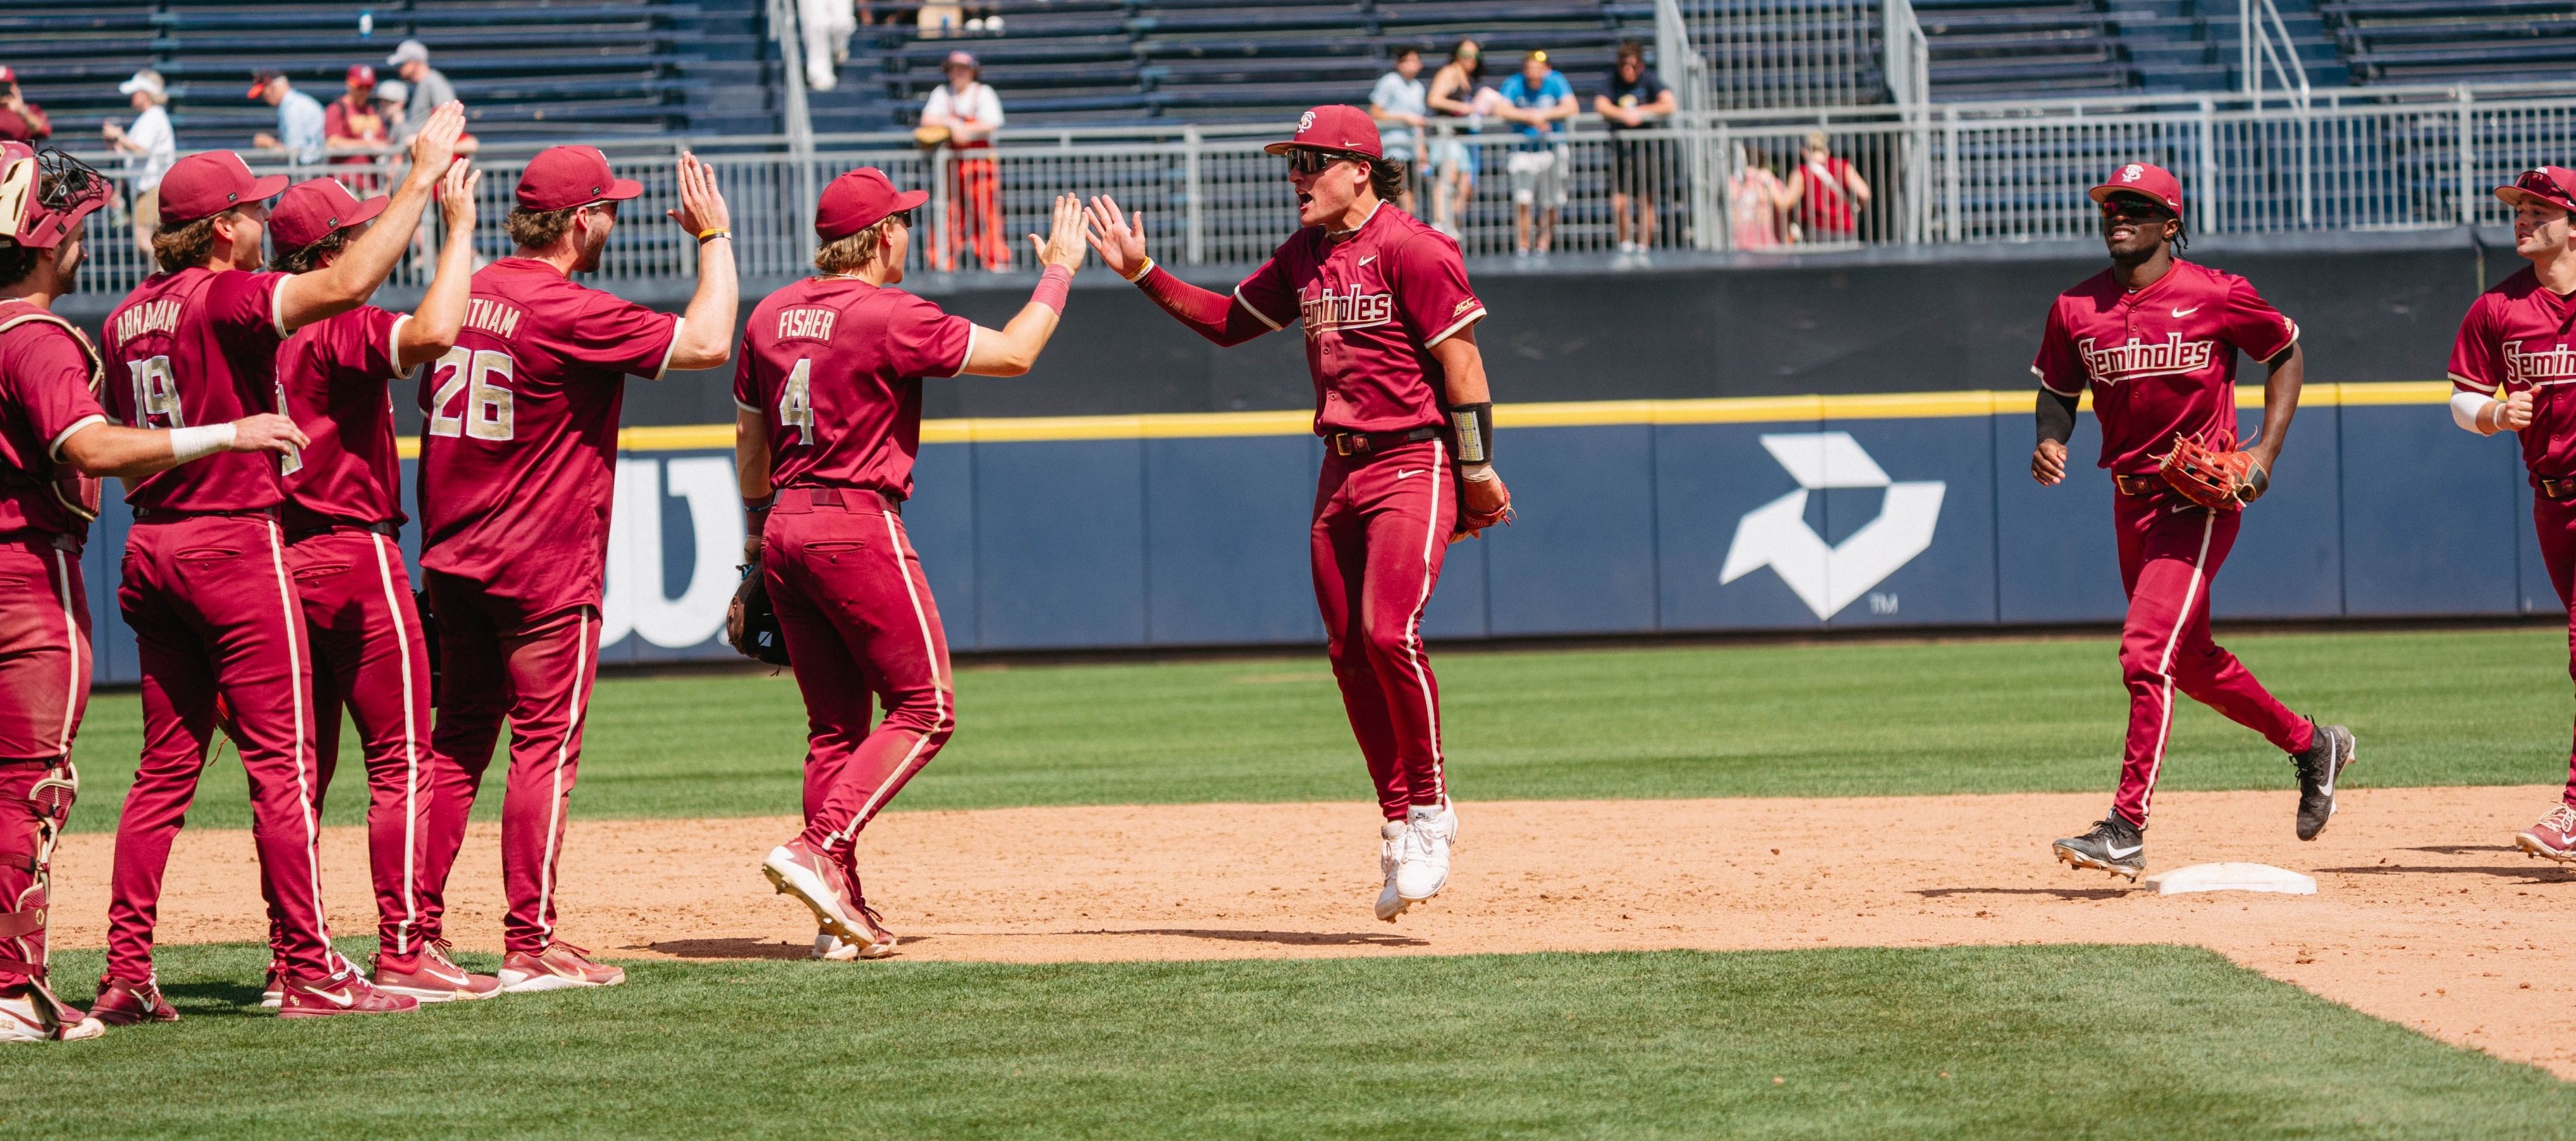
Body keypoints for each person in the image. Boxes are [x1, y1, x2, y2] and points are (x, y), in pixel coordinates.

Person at [1083, 106, 1511, 922]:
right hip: (1339, 471)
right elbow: (1226, 324)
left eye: (1311, 161)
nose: (1296, 177)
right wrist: (1143, 272)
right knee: (1349, 651)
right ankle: (1394, 823)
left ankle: (1431, 810)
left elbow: (1461, 360)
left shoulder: (1412, 247)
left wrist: (1476, 466)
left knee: (1390, 633)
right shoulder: (1305, 254)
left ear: (1360, 169)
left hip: (1409, 459)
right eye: (1294, 161)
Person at [94, 105, 468, 1023]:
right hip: (233, 541)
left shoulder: (123, 315)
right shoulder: (225, 293)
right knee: (285, 763)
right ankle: (307, 965)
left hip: (149, 548)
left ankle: (128, 967)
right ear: (223, 228)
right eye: (252, 209)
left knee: (162, 772)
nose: (262, 222)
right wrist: (422, 179)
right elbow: (345, 286)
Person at [0, 142, 307, 1044]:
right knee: (31, 784)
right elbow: (89, 449)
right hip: (27, 574)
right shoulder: (40, 336)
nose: (86, 235)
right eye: (76, 222)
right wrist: (227, 432)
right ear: (45, 236)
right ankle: (15, 987)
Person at [411, 145, 738, 992]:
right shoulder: (566, 305)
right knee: (543, 749)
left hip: (454, 557)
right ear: (579, 220)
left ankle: (414, 935)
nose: (616, 220)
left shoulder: (463, 291)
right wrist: (715, 235)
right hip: (538, 565)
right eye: (610, 208)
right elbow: (708, 341)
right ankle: (529, 942)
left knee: (456, 748)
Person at [737, 173, 1088, 961]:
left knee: (834, 728)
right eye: (903, 223)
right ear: (881, 236)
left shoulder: (766, 313)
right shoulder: (890, 314)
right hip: (855, 522)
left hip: (787, 518)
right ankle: (818, 847)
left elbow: (751, 441)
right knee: (926, 708)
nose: (910, 234)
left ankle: (840, 912)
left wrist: (759, 538)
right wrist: (1060, 268)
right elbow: (1017, 353)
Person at [2032, 162, 2354, 882]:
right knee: (2192, 660)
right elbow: (2058, 388)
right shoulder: (2074, 306)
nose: (2120, 214)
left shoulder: (2215, 293)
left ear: (2170, 223)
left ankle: (2126, 825)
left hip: (2196, 496)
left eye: (2138, 206)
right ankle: (2312, 744)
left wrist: (2263, 452)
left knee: (2146, 652)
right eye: (2113, 204)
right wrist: (2052, 438)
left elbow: (2284, 352)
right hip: (2129, 498)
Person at [264, 168, 500, 1004]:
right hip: (350, 553)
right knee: (401, 757)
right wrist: (460, 227)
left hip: (271, 556)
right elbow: (438, 331)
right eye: (359, 231)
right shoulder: (338, 324)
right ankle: (404, 945)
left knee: (297, 774)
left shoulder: (248, 326)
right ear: (330, 251)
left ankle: (291, 956)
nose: (375, 239)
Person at [2444, 166, 2576, 865]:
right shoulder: (2498, 308)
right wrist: (2496, 413)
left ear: (2573, 223)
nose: (2524, 219)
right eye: (2519, 209)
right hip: (2552, 499)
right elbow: (2462, 399)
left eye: (2540, 209)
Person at [919, 51, 1009, 272]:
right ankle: (942, 263)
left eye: (962, 69)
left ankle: (995, 261)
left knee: (986, 213)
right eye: (953, 69)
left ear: (972, 71)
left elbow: (992, 123)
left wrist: (961, 128)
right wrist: (952, 125)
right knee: (948, 213)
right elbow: (926, 120)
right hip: (951, 166)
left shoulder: (983, 92)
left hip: (980, 166)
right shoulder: (942, 93)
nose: (957, 74)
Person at [1594, 42, 1675, 255]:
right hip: (1620, 149)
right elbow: (1601, 105)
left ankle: (1644, 246)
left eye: (1632, 65)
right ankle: (1625, 243)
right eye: (1623, 65)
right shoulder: (1612, 79)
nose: (1627, 70)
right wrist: (1623, 115)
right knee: (1619, 201)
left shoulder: (1649, 79)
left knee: (1645, 200)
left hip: (1645, 149)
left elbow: (1668, 105)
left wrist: (1640, 112)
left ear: (1640, 65)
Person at [1497, 51, 1574, 257]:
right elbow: (1501, 109)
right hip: (1524, 151)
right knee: (1523, 200)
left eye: (1539, 68)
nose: (1534, 73)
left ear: (1545, 69)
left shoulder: (1556, 80)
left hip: (1552, 149)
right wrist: (1530, 118)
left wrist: (1544, 115)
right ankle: (1523, 246)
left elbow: (1571, 107)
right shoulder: (1514, 83)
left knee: (1551, 201)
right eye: (1530, 68)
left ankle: (1543, 244)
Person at [101, 70, 176, 257]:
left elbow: (141, 149)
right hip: (145, 188)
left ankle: (170, 269)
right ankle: (163, 278)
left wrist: (118, 135)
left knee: (146, 240)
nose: (132, 96)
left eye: (136, 92)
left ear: (146, 94)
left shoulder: (154, 117)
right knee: (150, 241)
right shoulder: (149, 118)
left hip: (151, 187)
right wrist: (116, 142)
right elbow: (132, 152)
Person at [1423, 39, 1483, 237]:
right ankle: (1440, 222)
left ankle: (1452, 223)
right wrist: (1463, 108)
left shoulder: (1466, 78)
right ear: (1457, 55)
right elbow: (1434, 98)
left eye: (1475, 56)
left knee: (1465, 187)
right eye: (1466, 55)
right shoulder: (1449, 72)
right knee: (1449, 176)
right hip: (1446, 136)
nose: (1471, 60)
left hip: (1462, 139)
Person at [1369, 47, 1428, 217]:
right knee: (1397, 196)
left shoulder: (1418, 88)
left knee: (1408, 199)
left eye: (1415, 60)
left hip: (1410, 152)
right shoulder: (1390, 82)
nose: (1411, 65)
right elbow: (1375, 113)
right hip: (1392, 149)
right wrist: (1404, 118)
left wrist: (1422, 150)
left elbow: (1419, 121)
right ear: (1398, 63)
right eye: (1407, 60)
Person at [1785, 131, 1870, 244]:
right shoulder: (1843, 167)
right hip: (1845, 230)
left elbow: (1787, 202)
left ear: (1804, 152)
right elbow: (1865, 193)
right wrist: (1856, 209)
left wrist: (1770, 183)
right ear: (1827, 151)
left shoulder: (1801, 173)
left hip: (1816, 232)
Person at [324, 65, 390, 186]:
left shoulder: (372, 111)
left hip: (371, 183)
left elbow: (383, 143)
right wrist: (368, 145)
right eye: (360, 86)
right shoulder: (337, 109)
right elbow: (333, 143)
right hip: (346, 183)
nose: (364, 91)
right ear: (349, 84)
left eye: (368, 87)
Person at [386, 40, 459, 146]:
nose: (398, 69)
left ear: (414, 62)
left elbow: (449, 119)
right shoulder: (417, 85)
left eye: (402, 64)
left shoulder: (433, 82)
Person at [250, 70, 326, 166]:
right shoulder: (295, 104)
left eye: (263, 94)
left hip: (310, 170)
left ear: (272, 88)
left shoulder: (292, 108)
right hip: (313, 168)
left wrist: (270, 144)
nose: (263, 99)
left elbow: (294, 152)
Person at [1727, 147, 1791, 250]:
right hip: (1769, 246)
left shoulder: (1732, 183)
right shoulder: (1770, 181)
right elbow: (1783, 207)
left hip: (1740, 247)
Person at [0, 69, 48, 144]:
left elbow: (42, 130)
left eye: (5, 87)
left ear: (14, 87)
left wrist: (22, 111)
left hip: (23, 155)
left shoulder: (31, 110)